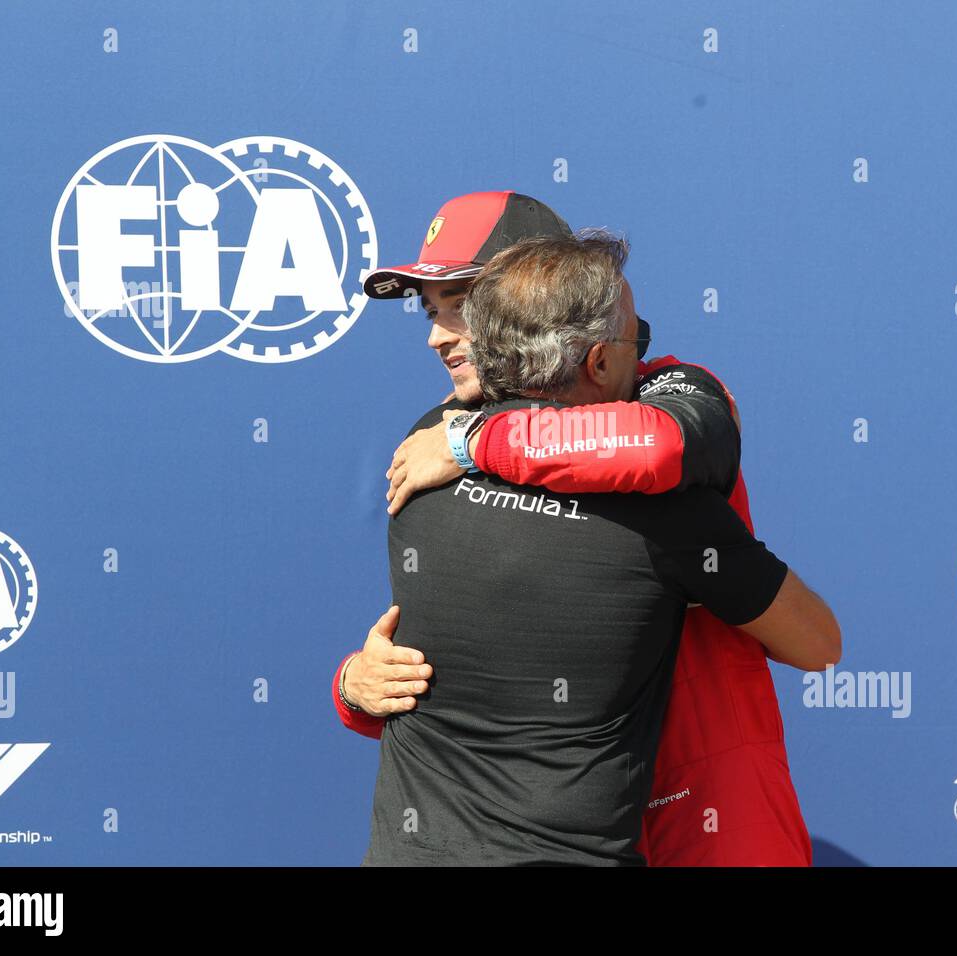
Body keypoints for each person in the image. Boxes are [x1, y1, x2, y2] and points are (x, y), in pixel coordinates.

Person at [336, 190, 832, 865]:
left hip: (708, 791)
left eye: (463, 305)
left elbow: (656, 450)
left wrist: (471, 442)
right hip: (578, 817)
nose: (438, 334)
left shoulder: (673, 393)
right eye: (432, 311)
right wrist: (359, 683)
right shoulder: (430, 443)